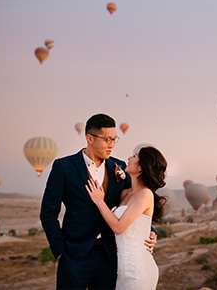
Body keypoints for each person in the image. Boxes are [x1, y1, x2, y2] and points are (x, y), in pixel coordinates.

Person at [40, 113, 157, 289]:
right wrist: (60, 250)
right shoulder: (63, 167)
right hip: (74, 255)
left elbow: (134, 200)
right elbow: (48, 212)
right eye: (107, 139)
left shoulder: (119, 168)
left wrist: (150, 231)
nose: (112, 145)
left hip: (111, 255)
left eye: (114, 139)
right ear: (90, 138)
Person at [85, 146, 167, 290]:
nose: (128, 159)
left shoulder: (146, 194)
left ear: (141, 168)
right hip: (123, 271)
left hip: (139, 270)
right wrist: (151, 231)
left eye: (134, 156)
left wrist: (99, 201)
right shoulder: (124, 194)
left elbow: (118, 227)